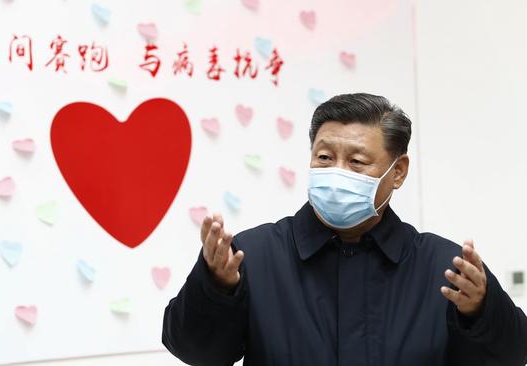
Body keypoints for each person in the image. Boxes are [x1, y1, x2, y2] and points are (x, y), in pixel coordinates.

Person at [162, 93, 527, 365]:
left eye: (356, 161)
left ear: (397, 172)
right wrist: (216, 288)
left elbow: (511, 354)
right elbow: (197, 352)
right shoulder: (254, 255)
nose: (336, 173)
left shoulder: (443, 267)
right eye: (324, 157)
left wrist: (480, 311)